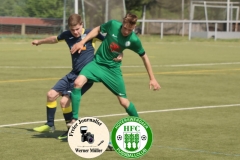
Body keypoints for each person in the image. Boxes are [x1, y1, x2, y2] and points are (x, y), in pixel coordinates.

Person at [31, 13, 123, 140]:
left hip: (86, 76)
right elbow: (55, 39)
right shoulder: (67, 35)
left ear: (82, 25)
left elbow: (109, 41)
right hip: (73, 73)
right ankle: (50, 124)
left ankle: (71, 131)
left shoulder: (91, 34)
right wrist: (39, 42)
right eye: (72, 29)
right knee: (51, 95)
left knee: (64, 101)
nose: (75, 32)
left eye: (77, 29)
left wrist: (119, 52)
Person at [67, 12, 161, 127]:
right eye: (125, 28)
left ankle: (141, 126)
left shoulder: (134, 40)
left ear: (134, 27)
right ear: (123, 23)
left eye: (130, 30)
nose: (126, 32)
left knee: (124, 102)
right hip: (97, 64)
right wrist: (82, 42)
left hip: (112, 70)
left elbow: (144, 57)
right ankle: (74, 120)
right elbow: (98, 29)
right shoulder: (113, 25)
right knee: (77, 83)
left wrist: (152, 78)